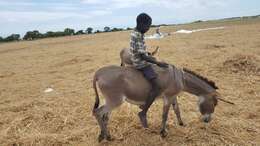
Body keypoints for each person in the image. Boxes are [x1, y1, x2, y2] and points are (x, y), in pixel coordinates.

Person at [130, 13, 168, 127]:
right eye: (148, 26)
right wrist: (157, 62)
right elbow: (142, 56)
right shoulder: (137, 35)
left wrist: (150, 55)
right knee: (157, 87)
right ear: (142, 24)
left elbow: (141, 50)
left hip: (141, 59)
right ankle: (143, 111)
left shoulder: (138, 32)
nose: (148, 29)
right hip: (141, 64)